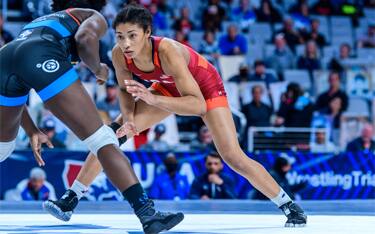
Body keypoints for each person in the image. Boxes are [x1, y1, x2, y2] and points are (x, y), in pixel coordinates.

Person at [48, 4, 307, 227]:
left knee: (232, 156)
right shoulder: (119, 54)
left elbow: (198, 107)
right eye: (119, 36)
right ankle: (71, 198)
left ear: (147, 33)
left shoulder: (167, 51)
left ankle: (288, 205)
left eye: (132, 36)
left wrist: (153, 98)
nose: (125, 44)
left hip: (204, 88)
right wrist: (128, 119)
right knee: (109, 137)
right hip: (166, 87)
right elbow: (126, 92)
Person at [0, 1, 183, 233]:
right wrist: (98, 69)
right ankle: (148, 214)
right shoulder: (90, 14)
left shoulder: (39, 21)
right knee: (102, 141)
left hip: (5, 57)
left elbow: (20, 80)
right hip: (39, 54)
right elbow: (85, 39)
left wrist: (31, 129)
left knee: (2, 149)